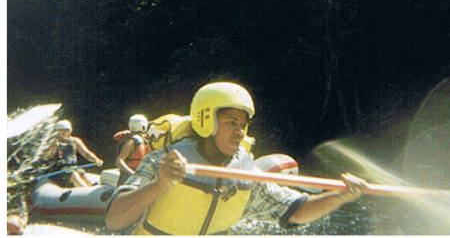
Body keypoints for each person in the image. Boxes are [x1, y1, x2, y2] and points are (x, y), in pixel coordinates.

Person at [105, 82, 368, 235]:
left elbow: (296, 211)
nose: (240, 131)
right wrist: (161, 184)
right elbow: (115, 220)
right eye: (232, 122)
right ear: (206, 120)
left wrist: (340, 197)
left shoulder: (244, 173)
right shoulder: (164, 161)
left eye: (243, 124)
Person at [39, 120, 103, 187]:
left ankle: (90, 187)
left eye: (66, 130)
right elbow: (46, 156)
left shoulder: (75, 141)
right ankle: (84, 188)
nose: (64, 133)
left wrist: (96, 159)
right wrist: (53, 148)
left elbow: (86, 154)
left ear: (70, 131)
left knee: (82, 174)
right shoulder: (54, 143)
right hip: (59, 171)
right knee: (74, 175)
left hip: (73, 168)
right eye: (61, 131)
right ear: (57, 132)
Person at [116, 114, 152, 185]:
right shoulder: (131, 141)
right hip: (129, 177)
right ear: (144, 126)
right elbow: (119, 161)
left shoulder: (144, 139)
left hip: (142, 174)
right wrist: (132, 174)